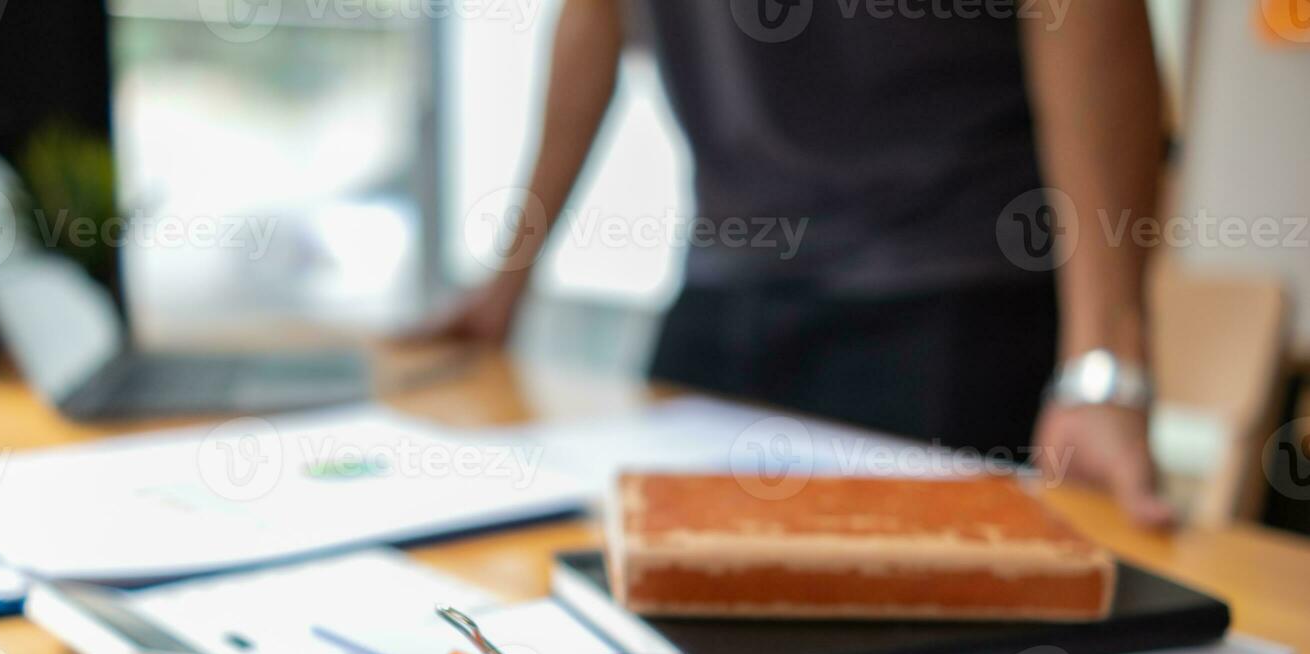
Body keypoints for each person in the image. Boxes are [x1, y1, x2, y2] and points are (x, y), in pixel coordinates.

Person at [424, 0, 1175, 528]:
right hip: (722, 286)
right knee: (638, 597)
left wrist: (1103, 369)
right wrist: (508, 279)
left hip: (948, 288)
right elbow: (594, 14)